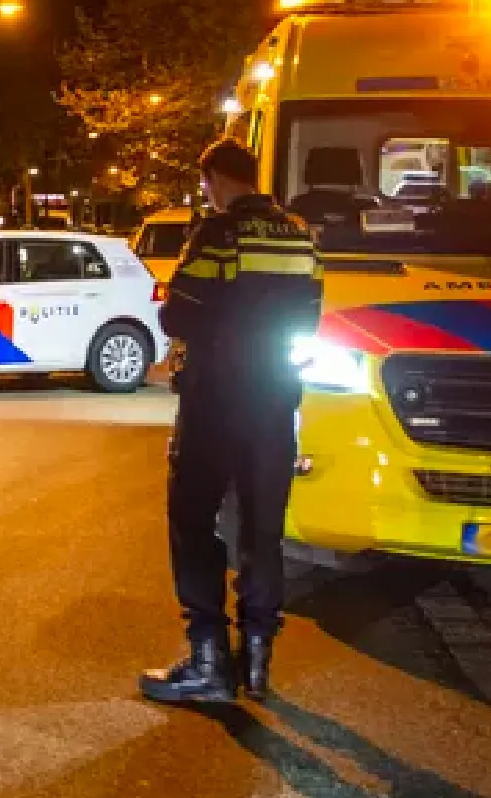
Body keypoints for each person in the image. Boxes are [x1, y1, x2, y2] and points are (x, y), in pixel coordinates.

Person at [141, 138, 322, 704]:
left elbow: (178, 314)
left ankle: (207, 660)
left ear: (215, 177)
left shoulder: (217, 234)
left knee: (193, 521)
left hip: (216, 400)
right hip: (274, 402)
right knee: (263, 530)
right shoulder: (298, 233)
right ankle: (259, 657)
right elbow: (310, 313)